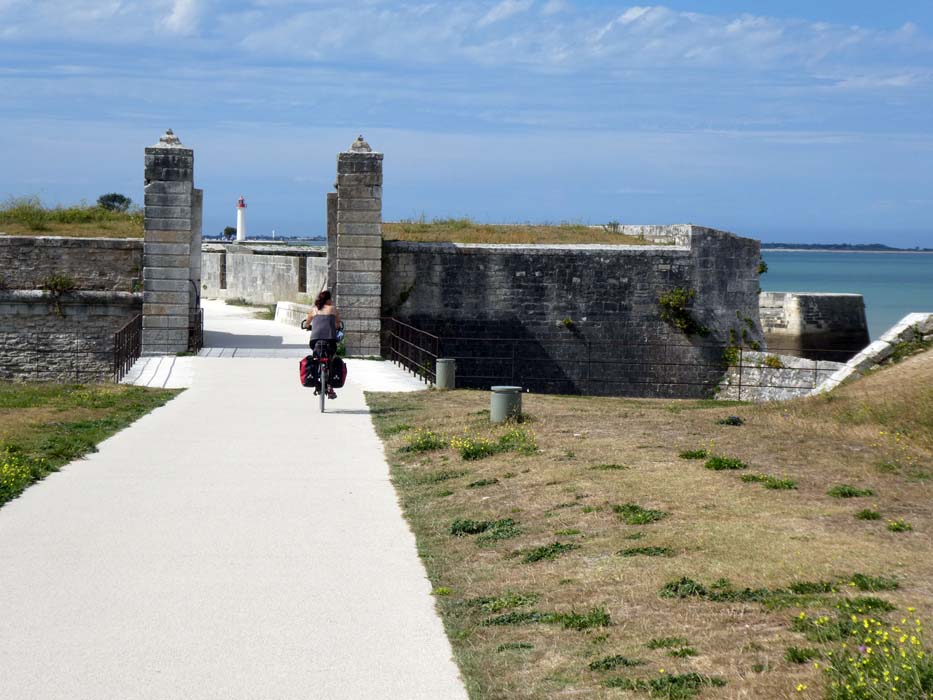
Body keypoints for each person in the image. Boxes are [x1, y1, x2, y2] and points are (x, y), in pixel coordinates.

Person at [305, 290, 341, 399]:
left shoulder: (314, 310)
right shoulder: (333, 309)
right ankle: (330, 387)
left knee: (316, 359)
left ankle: (316, 383)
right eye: (331, 299)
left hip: (315, 340)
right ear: (328, 300)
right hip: (330, 340)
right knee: (331, 358)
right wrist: (336, 328)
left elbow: (307, 323)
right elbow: (338, 324)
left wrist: (308, 327)